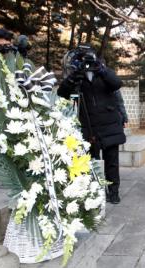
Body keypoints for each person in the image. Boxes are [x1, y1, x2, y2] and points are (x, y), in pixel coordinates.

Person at [57, 44, 127, 204]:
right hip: (89, 125)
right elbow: (63, 94)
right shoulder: (77, 76)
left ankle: (114, 191)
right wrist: (74, 76)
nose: (87, 63)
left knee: (112, 162)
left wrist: (100, 69)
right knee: (92, 161)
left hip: (109, 124)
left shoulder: (103, 73)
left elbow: (117, 83)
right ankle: (95, 191)